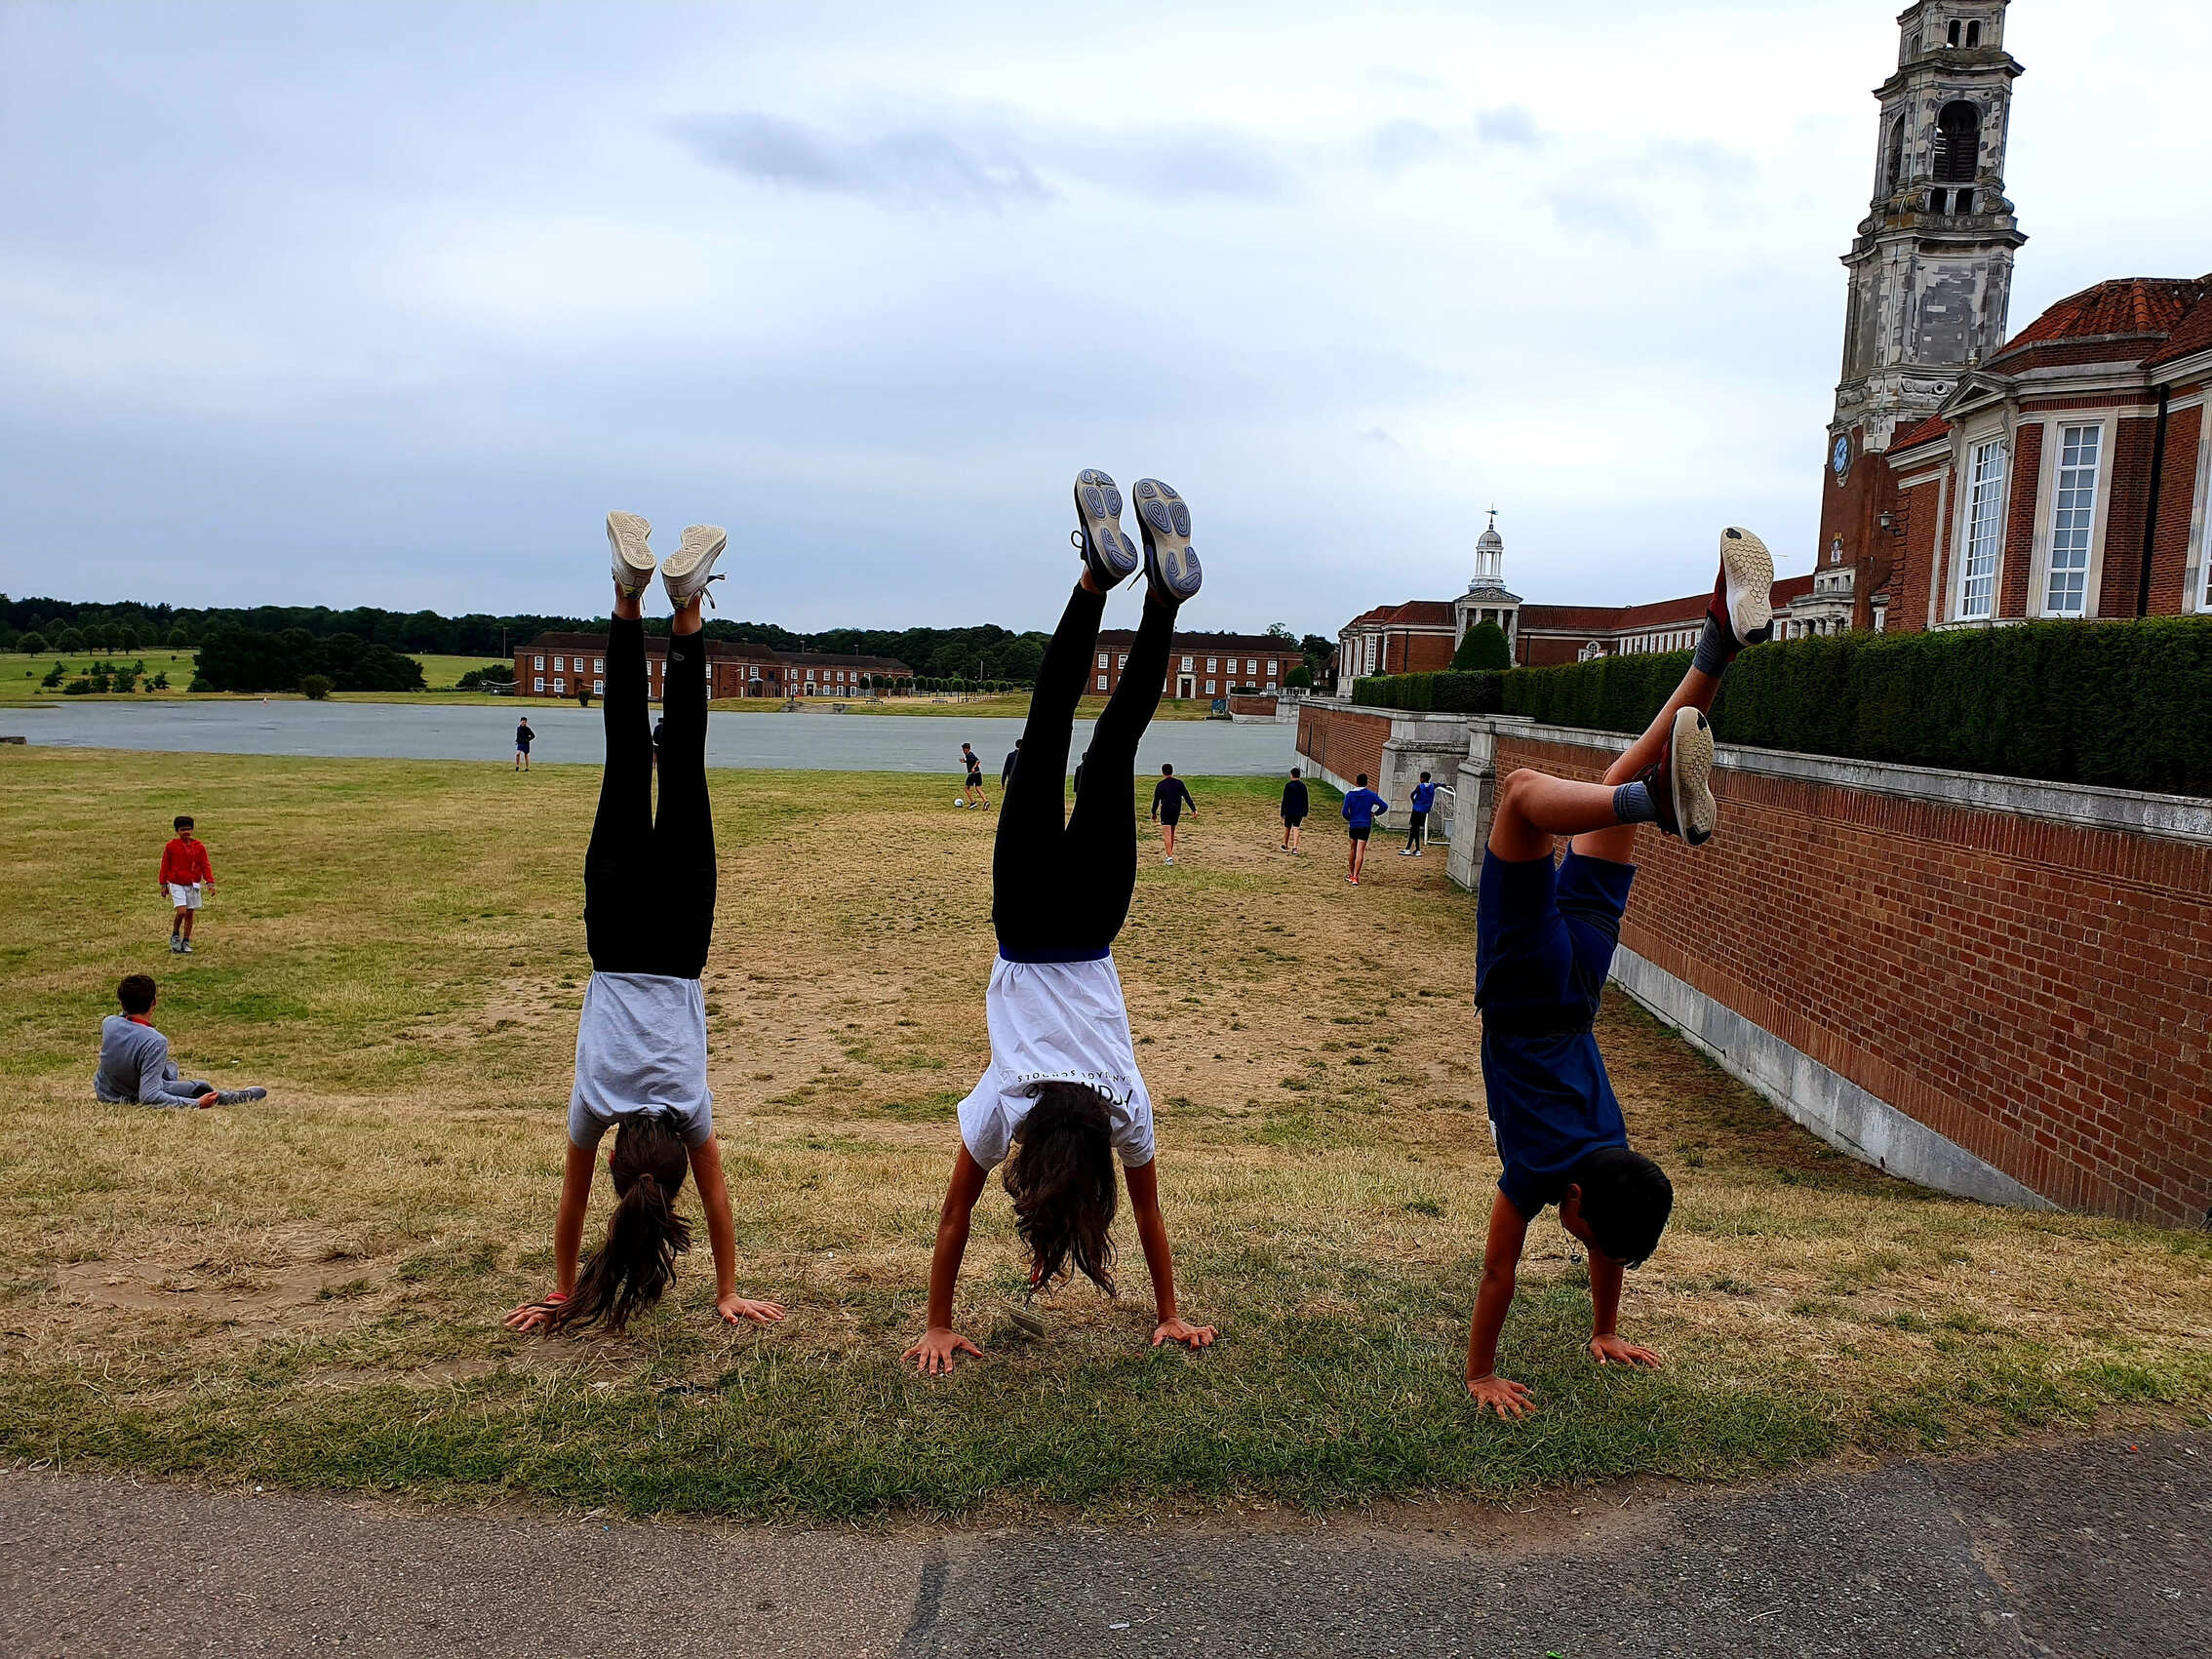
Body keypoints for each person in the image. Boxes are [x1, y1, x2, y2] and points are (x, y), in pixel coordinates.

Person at [903, 468, 1216, 1374]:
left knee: (1112, 741)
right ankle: (1096, 580)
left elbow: (1150, 1211)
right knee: (1046, 732)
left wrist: (1170, 1309)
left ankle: (1158, 595)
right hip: (1028, 913)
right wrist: (935, 1319)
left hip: (1095, 915)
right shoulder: (1007, 1105)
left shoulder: (1126, 1105)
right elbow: (955, 1211)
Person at [1462, 525, 1773, 1420]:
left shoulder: (1612, 1140)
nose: (1582, 1240)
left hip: (1581, 982)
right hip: (1524, 992)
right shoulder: (1540, 1173)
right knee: (1524, 797)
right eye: (1588, 1230)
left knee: (1595, 787)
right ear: (1581, 1197)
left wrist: (1603, 1326)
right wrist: (1481, 1369)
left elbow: (1594, 1237)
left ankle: (1717, 646)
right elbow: (1497, 1267)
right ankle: (1658, 790)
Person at [506, 512, 785, 1338]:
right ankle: (629, 599)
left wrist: (729, 1287)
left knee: (685, 760)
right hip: (616, 930)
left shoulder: (691, 1110)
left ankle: (687, 607)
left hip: (680, 941)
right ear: (624, 1164)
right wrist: (562, 1289)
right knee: (627, 756)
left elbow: (722, 1201)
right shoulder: (596, 1106)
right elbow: (569, 1199)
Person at [95, 974, 266, 1108]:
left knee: (169, 1068)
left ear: (122, 1002)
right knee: (200, 1087)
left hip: (107, 1092)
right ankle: (233, 1097)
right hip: (130, 1094)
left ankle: (171, 1075)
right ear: (154, 1002)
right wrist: (196, 1104)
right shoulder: (155, 1041)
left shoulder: (109, 1023)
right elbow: (149, 1095)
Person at [158, 815, 213, 954]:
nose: (186, 832)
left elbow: (205, 864)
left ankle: (186, 940)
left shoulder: (199, 846)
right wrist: (163, 884)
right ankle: (175, 935)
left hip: (192, 883)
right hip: (176, 883)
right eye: (183, 830)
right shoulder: (171, 846)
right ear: (177, 831)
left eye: (188, 829)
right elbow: (165, 865)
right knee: (181, 911)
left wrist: (209, 882)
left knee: (190, 913)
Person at [1340, 773, 1390, 885]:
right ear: (1366, 783)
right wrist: (1375, 814)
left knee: (1352, 849)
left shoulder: (1350, 795)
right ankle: (1356, 876)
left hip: (1354, 825)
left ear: (1356, 781)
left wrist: (1351, 819)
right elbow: (1384, 806)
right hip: (1365, 825)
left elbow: (1344, 812)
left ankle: (1351, 873)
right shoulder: (1370, 795)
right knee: (1360, 851)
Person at [1150, 763, 1196, 864]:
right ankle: (1169, 854)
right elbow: (1187, 797)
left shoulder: (1160, 785)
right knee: (1172, 834)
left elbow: (1156, 801)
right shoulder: (1179, 783)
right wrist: (1193, 809)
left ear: (1163, 772)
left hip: (1166, 811)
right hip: (1176, 810)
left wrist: (1153, 812)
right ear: (1172, 771)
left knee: (1167, 834)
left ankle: (1169, 858)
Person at [1401, 770, 1438, 857]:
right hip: (1424, 811)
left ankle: (1409, 849)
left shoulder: (1420, 787)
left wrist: (1415, 803)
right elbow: (1438, 784)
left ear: (1422, 778)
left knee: (1414, 829)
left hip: (1417, 810)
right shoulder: (1432, 786)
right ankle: (1415, 849)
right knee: (1415, 830)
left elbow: (1412, 795)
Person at [1280, 767, 1309, 853]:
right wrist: (1305, 810)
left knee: (1287, 827)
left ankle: (1285, 845)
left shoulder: (1288, 786)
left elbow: (1284, 799)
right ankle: (1295, 847)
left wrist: (1282, 811)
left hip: (1289, 810)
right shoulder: (1303, 786)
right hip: (1299, 811)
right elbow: (1305, 799)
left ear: (1291, 775)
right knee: (1296, 827)